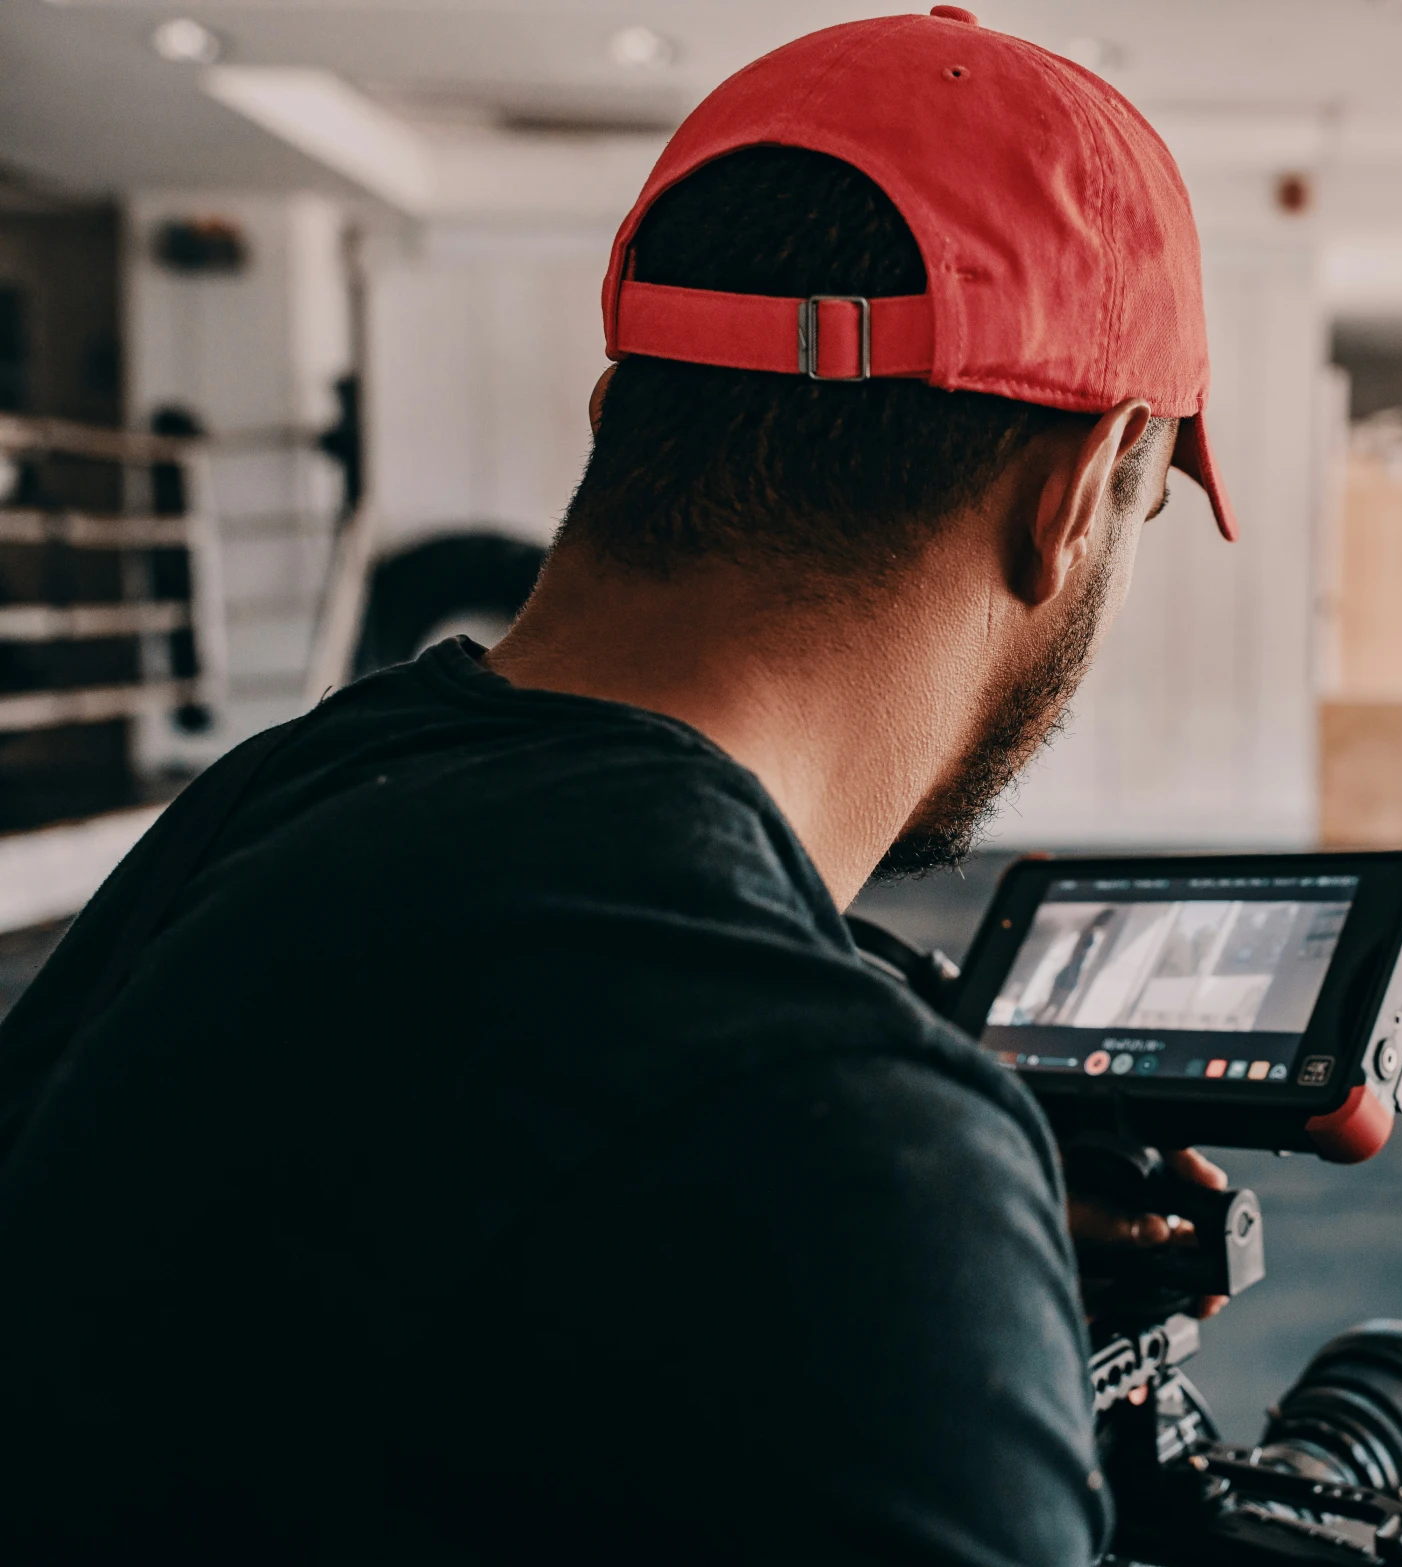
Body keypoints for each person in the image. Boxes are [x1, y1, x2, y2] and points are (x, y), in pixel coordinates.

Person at [0, 11, 1235, 1561]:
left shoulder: (277, 801)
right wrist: (908, 1252)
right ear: (1069, 502)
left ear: (615, 419)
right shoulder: (833, 1135)